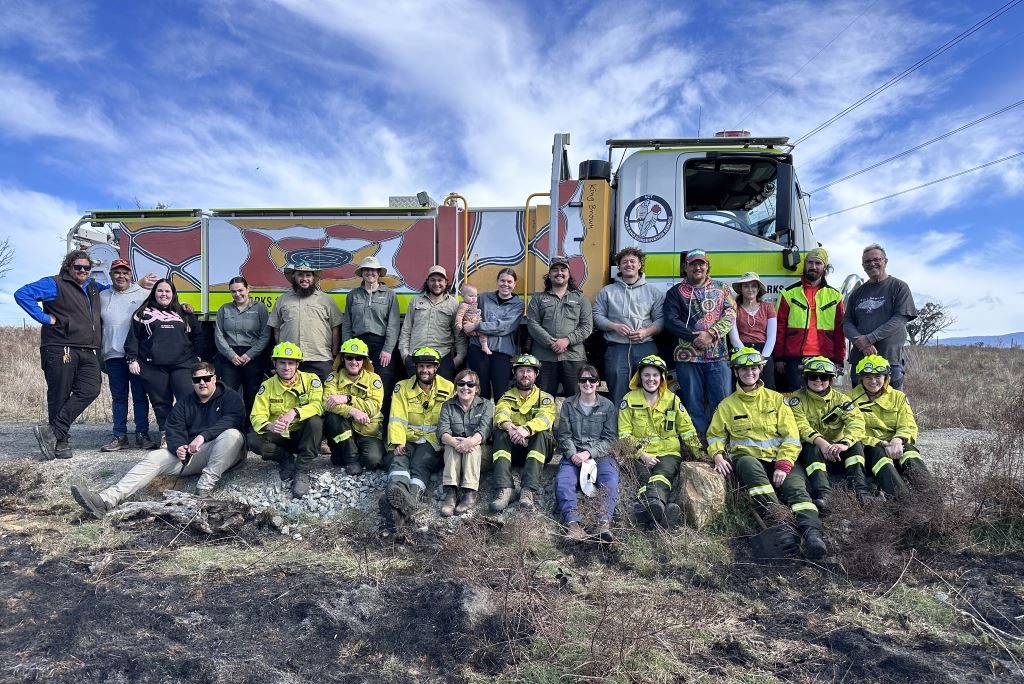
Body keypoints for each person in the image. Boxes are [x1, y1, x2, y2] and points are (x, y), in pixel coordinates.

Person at [70, 362, 248, 517]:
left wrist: (202, 436)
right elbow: (173, 429)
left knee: (232, 435)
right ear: (192, 382)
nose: (202, 383)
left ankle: (203, 490)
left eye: (206, 378)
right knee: (155, 457)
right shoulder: (185, 403)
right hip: (193, 456)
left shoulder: (230, 397)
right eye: (196, 380)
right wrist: (178, 447)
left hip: (224, 453)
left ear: (214, 378)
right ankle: (105, 500)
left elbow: (232, 420)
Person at [708, 348, 827, 560]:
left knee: (798, 492)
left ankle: (812, 534)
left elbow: (791, 436)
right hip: (750, 459)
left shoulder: (777, 400)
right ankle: (780, 526)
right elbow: (715, 435)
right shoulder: (727, 405)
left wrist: (784, 463)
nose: (749, 373)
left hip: (781, 459)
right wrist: (717, 454)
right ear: (736, 372)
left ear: (761, 370)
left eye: (753, 368)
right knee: (747, 466)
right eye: (744, 369)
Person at [16, 251, 107, 459]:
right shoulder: (54, 283)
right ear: (68, 267)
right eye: (78, 267)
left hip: (87, 349)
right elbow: (22, 294)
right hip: (60, 347)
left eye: (86, 268)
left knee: (91, 389)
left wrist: (140, 284)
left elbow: (116, 290)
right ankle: (60, 441)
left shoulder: (94, 287)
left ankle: (52, 431)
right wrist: (45, 318)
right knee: (59, 393)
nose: (82, 271)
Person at [618, 355, 705, 530]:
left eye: (655, 375)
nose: (651, 379)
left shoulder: (672, 400)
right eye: (647, 375)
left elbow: (687, 430)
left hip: (668, 452)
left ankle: (649, 512)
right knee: (644, 478)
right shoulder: (629, 399)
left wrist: (700, 454)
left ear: (662, 378)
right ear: (640, 377)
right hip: (639, 453)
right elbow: (624, 434)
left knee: (661, 475)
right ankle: (662, 514)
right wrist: (642, 455)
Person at [124, 278, 205, 446]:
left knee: (187, 399)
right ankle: (167, 435)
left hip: (183, 364)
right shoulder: (142, 313)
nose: (164, 294)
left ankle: (187, 434)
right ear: (154, 293)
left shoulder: (183, 312)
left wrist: (197, 356)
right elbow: (133, 338)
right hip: (153, 366)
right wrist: (132, 359)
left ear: (173, 294)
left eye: (168, 291)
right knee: (161, 403)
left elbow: (198, 335)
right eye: (160, 291)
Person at [663, 249, 736, 435]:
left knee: (721, 400)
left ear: (707, 266)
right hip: (687, 358)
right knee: (692, 402)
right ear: (685, 267)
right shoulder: (674, 292)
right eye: (693, 264)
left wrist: (711, 334)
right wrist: (694, 337)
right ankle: (699, 444)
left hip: (718, 356)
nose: (698, 267)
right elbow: (671, 320)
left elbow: (730, 314)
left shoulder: (722, 289)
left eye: (701, 263)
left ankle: (720, 441)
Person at [786, 356, 869, 507]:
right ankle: (823, 494)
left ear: (831, 379)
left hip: (838, 451)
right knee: (812, 447)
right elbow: (801, 426)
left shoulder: (841, 400)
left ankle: (861, 491)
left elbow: (857, 423)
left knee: (856, 445)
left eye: (824, 377)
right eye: (813, 376)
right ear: (806, 378)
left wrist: (844, 443)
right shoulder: (796, 399)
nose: (818, 380)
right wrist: (823, 444)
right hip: (813, 451)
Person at [385, 347, 455, 523]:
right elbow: (396, 416)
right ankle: (397, 493)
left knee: (419, 464)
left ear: (436, 368)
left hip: (432, 441)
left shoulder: (448, 387)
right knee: (399, 460)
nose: (425, 370)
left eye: (429, 366)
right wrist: (398, 442)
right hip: (408, 437)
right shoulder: (402, 387)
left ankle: (408, 500)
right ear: (415, 367)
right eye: (421, 366)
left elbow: (450, 419)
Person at [250, 342, 325, 497]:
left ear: (297, 364)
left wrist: (295, 412)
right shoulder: (267, 386)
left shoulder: (311, 380)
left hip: (302, 434)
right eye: (282, 363)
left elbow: (319, 405)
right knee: (253, 440)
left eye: (291, 363)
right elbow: (256, 415)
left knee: (316, 421)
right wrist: (268, 426)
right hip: (280, 436)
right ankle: (285, 459)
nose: (286, 367)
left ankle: (301, 470)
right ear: (274, 363)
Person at [848, 355, 929, 497]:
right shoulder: (849, 400)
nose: (873, 381)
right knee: (880, 456)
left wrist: (898, 440)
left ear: (886, 377)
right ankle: (904, 503)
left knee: (910, 451)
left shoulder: (899, 397)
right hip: (871, 448)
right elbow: (851, 431)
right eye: (868, 377)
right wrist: (880, 443)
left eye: (878, 376)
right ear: (861, 378)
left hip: (897, 445)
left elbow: (908, 423)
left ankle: (932, 498)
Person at [554, 365, 619, 542]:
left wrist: (589, 453)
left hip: (601, 455)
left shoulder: (608, 406)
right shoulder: (568, 404)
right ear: (578, 383)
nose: (587, 383)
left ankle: (603, 524)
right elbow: (564, 435)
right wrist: (573, 454)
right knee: (563, 481)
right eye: (583, 380)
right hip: (573, 455)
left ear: (598, 383)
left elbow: (610, 438)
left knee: (610, 480)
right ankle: (573, 525)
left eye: (592, 380)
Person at [593, 247, 665, 403]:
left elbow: (661, 320)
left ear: (639, 265)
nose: (629, 264)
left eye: (633, 261)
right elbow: (597, 316)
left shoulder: (653, 292)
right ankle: (619, 426)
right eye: (624, 262)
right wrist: (614, 326)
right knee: (617, 392)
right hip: (616, 348)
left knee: (648, 390)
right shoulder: (607, 291)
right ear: (618, 267)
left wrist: (646, 332)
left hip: (645, 347)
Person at [98, 259, 156, 451]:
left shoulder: (144, 294)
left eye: (125, 272)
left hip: (137, 356)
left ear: (131, 275)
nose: (121, 276)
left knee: (140, 396)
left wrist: (186, 307)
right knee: (119, 397)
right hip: (113, 355)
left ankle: (142, 434)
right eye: (117, 272)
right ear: (111, 274)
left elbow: (166, 305)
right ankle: (119, 436)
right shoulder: (102, 296)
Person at [844, 244, 917, 390]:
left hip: (890, 360)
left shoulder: (899, 287)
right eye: (867, 262)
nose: (872, 264)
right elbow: (847, 323)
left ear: (885, 261)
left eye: (876, 259)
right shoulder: (857, 293)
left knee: (892, 407)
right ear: (863, 266)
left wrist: (869, 339)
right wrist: (862, 344)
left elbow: (899, 319)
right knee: (860, 408)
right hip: (860, 361)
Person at [490, 354, 556, 512]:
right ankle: (505, 488)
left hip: (538, 449)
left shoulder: (545, 398)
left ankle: (528, 490)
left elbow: (545, 418)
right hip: (514, 449)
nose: (525, 374)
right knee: (500, 433)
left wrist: (525, 429)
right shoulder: (506, 396)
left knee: (542, 434)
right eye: (521, 371)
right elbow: (500, 414)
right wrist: (511, 428)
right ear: (515, 374)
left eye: (529, 371)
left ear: (536, 374)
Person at [775, 248, 845, 392]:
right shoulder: (788, 293)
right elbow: (779, 327)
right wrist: (779, 358)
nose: (813, 267)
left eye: (818, 263)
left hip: (825, 356)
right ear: (805, 264)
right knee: (796, 398)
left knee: (822, 398)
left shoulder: (836, 296)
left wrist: (839, 360)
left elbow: (840, 330)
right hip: (795, 357)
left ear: (825, 267)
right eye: (810, 262)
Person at [526, 256, 594, 397]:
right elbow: (532, 324)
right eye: (555, 270)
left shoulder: (581, 299)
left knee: (576, 399)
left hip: (573, 357)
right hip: (544, 357)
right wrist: (552, 343)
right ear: (549, 275)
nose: (559, 273)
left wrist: (567, 340)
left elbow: (587, 326)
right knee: (542, 400)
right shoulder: (538, 298)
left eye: (563, 269)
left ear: (569, 274)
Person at [342, 256, 400, 410]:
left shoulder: (389, 295)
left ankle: (382, 426)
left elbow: (393, 324)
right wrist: (346, 348)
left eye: (374, 270)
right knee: (358, 385)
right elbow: (347, 324)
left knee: (383, 384)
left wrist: (388, 349)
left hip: (381, 346)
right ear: (362, 272)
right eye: (367, 270)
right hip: (357, 346)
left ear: (378, 273)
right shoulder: (353, 295)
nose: (370, 273)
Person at [268, 262, 343, 382]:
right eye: (300, 275)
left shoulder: (326, 300)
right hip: (290, 359)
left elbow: (335, 328)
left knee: (325, 397)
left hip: (320, 358)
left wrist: (334, 354)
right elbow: (276, 329)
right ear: (294, 277)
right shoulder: (282, 300)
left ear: (313, 278)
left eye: (308, 275)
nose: (304, 279)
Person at [323, 338, 385, 475]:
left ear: (364, 361)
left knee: (373, 461)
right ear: (343, 359)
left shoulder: (374, 379)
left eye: (359, 358)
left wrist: (347, 398)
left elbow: (373, 407)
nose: (354, 362)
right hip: (343, 430)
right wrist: (352, 411)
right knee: (332, 417)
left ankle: (355, 453)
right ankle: (352, 460)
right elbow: (327, 403)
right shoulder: (333, 378)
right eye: (349, 357)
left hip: (367, 431)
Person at [437, 368, 494, 516]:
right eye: (461, 383)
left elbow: (484, 431)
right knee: (450, 446)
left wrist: (470, 442)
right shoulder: (447, 405)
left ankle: (470, 493)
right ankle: (451, 494)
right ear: (456, 387)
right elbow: (442, 432)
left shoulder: (487, 405)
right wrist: (457, 444)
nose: (465, 388)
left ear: (477, 388)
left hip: (481, 456)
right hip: (455, 455)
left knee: (473, 447)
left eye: (470, 384)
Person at [213, 276, 271, 418]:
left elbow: (265, 335)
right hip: (230, 357)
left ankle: (251, 428)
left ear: (248, 289)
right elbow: (219, 335)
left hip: (253, 357)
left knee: (252, 393)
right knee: (228, 394)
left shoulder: (260, 309)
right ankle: (230, 425)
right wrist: (231, 355)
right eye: (233, 291)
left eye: (240, 290)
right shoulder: (224, 309)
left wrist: (249, 355)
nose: (237, 294)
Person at [463, 268, 523, 399]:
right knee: (479, 391)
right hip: (478, 349)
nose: (505, 284)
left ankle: (500, 419)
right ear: (497, 281)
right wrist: (468, 324)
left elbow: (504, 326)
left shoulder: (518, 304)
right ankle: (481, 419)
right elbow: (470, 314)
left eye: (509, 281)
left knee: (501, 392)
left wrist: (477, 326)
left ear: (514, 284)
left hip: (502, 352)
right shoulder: (483, 298)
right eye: (502, 280)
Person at [398, 265, 466, 381]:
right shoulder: (415, 301)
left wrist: (458, 359)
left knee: (442, 397)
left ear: (446, 282)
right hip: (416, 357)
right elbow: (406, 330)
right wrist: (405, 356)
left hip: (443, 358)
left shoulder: (453, 304)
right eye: (433, 280)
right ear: (427, 282)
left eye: (440, 280)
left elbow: (459, 334)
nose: (436, 283)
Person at [728, 271, 777, 391]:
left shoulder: (768, 307)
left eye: (753, 286)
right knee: (742, 389)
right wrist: (746, 354)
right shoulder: (734, 308)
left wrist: (763, 358)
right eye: (746, 286)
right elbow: (734, 337)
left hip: (764, 352)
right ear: (741, 289)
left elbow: (772, 337)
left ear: (758, 288)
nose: (750, 289)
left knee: (767, 390)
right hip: (741, 351)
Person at [456, 282, 490, 355]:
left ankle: (484, 346)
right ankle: (484, 346)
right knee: (482, 333)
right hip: (468, 325)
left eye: (475, 296)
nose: (474, 298)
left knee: (483, 332)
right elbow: (459, 315)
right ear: (463, 296)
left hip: (475, 323)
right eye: (471, 296)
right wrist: (459, 324)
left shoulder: (474, 304)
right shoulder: (464, 305)